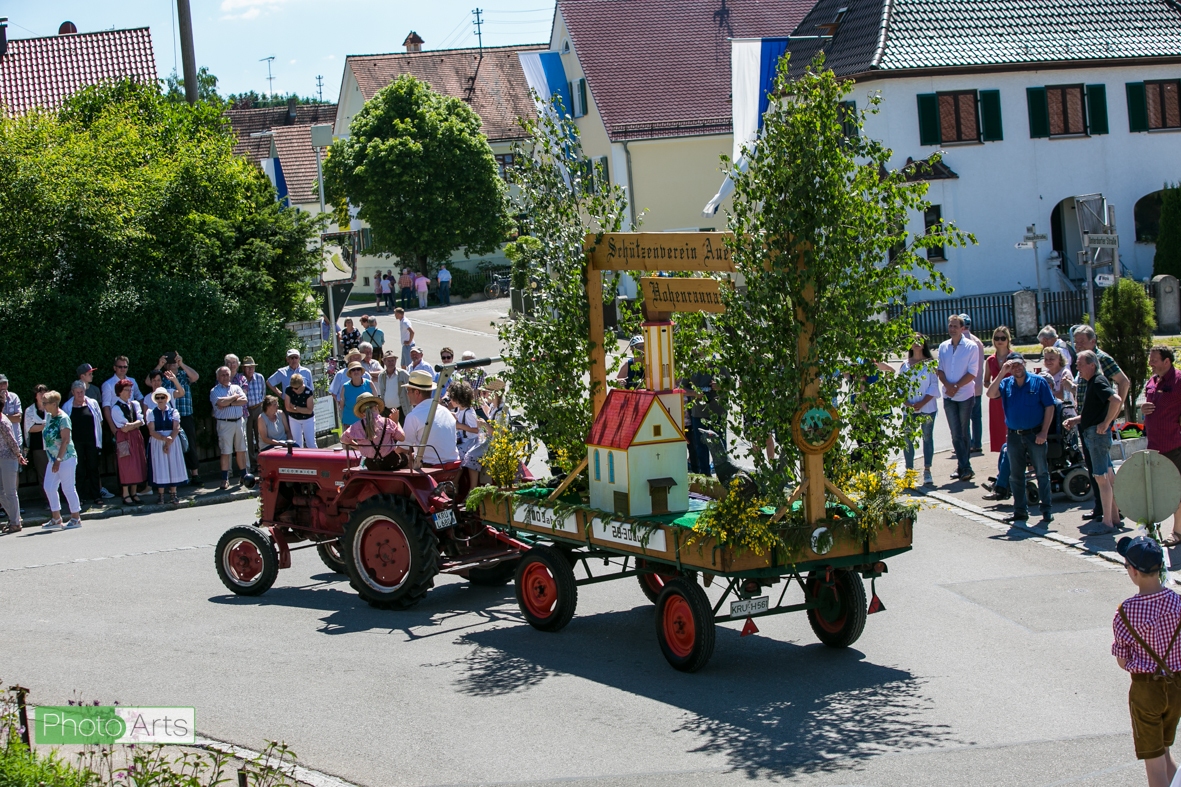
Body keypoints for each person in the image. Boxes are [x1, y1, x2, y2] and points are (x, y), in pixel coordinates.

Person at [1111, 535, 1181, 787]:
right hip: (1176, 689)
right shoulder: (1178, 602)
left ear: (1133, 571)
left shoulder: (1125, 612)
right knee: (1164, 752)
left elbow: (1122, 660)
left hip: (1146, 690)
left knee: (1154, 765)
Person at [987, 354, 1056, 526]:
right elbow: (990, 393)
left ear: (1024, 364)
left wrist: (1044, 432)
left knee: (1041, 472)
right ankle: (1020, 511)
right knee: (1016, 475)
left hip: (1035, 434)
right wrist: (1002, 372)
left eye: (1019, 364)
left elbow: (1050, 406)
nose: (1016, 368)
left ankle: (1046, 510)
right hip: (1014, 435)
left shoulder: (1038, 382)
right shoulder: (1006, 383)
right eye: (1013, 365)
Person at [1073, 325, 1131, 522]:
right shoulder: (1082, 361)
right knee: (1097, 469)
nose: (1077, 345)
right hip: (1087, 422)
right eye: (1075, 341)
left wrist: (1111, 417)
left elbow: (1124, 382)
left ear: (1093, 341)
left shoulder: (1100, 360)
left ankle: (1111, 514)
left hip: (1098, 425)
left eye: (1081, 341)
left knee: (1102, 473)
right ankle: (1105, 511)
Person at [1066, 350, 1124, 535]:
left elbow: (1116, 400)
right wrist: (1076, 420)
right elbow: (1094, 411)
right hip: (1095, 434)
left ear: (1092, 365)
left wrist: (1106, 423)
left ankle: (1107, 523)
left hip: (1097, 437)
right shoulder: (1094, 382)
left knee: (1101, 478)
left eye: (1080, 364)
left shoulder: (1098, 381)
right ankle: (1114, 518)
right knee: (1107, 475)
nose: (1077, 368)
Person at [1143, 346, 1181, 537]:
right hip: (1153, 447)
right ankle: (1154, 531)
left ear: (1167, 361)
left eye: (1154, 360)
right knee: (1156, 492)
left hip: (1174, 445)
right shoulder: (1152, 381)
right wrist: (1144, 409)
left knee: (1177, 490)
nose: (1150, 363)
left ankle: (1178, 532)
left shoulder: (1179, 380)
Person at [937, 314, 979, 482]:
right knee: (955, 434)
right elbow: (939, 369)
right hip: (949, 396)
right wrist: (948, 386)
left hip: (965, 395)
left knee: (963, 432)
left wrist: (956, 386)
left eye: (955, 326)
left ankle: (964, 466)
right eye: (950, 326)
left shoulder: (971, 347)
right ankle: (964, 467)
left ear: (962, 329)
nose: (952, 329)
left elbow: (972, 372)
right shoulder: (943, 347)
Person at [897, 336, 940, 487]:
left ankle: (927, 470)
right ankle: (909, 472)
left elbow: (934, 386)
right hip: (909, 409)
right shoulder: (905, 365)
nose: (916, 344)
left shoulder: (930, 364)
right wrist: (907, 402)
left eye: (919, 341)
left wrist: (922, 402)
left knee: (927, 438)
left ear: (923, 345)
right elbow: (899, 387)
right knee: (908, 440)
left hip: (927, 408)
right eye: (913, 341)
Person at [40, 390, 83, 529]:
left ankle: (76, 518)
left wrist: (58, 459)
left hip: (66, 458)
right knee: (49, 487)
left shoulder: (63, 418)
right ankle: (56, 518)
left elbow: (65, 440)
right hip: (53, 458)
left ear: (54, 404)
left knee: (68, 488)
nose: (43, 405)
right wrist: (54, 459)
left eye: (45, 403)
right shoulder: (49, 416)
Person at [400, 370, 459, 465]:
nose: (407, 394)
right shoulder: (446, 411)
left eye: (408, 391)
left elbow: (403, 448)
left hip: (430, 468)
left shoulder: (413, 416)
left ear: (416, 392)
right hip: (453, 466)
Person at [158, 351, 201, 483]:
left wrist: (181, 363)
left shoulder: (183, 375)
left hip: (185, 414)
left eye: (173, 362)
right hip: (169, 417)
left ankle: (195, 474)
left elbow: (195, 377)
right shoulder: (162, 377)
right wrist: (159, 365)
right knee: (171, 446)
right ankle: (175, 477)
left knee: (190, 445)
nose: (172, 364)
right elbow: (149, 382)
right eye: (169, 362)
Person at [62, 381, 105, 506]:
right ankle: (79, 496)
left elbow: (100, 421)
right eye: (77, 392)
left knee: (93, 468)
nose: (80, 394)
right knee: (79, 469)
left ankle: (96, 495)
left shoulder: (93, 403)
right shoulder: (67, 406)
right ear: (73, 393)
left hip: (92, 441)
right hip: (76, 443)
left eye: (82, 392)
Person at [210, 366, 252, 490]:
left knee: (241, 449)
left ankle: (244, 475)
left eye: (227, 375)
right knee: (226, 451)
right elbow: (220, 403)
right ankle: (225, 478)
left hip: (238, 421)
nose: (225, 377)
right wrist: (234, 398)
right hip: (225, 423)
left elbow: (244, 400)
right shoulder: (215, 391)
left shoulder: (236, 387)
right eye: (223, 375)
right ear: (218, 377)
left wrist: (228, 402)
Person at [341, 392, 405, 467]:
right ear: (376, 407)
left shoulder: (356, 426)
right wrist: (396, 422)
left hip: (372, 465)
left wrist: (359, 447)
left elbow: (343, 439)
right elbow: (402, 438)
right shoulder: (387, 422)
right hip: (390, 464)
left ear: (362, 413)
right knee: (405, 458)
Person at [147, 387, 187, 504]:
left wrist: (169, 440)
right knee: (160, 466)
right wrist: (163, 439)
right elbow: (152, 431)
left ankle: (173, 494)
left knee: (172, 465)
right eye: (158, 397)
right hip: (158, 440)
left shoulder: (173, 411)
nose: (160, 399)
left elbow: (176, 428)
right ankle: (161, 495)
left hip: (172, 440)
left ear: (166, 398)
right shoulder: (151, 412)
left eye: (162, 397)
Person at [110, 379, 147, 505]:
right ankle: (125, 494)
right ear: (119, 392)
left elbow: (142, 420)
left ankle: (134, 492)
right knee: (126, 464)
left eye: (130, 389)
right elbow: (124, 427)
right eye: (126, 390)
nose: (129, 392)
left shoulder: (135, 404)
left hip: (135, 436)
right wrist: (135, 424)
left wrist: (133, 424)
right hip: (124, 438)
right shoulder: (115, 408)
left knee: (137, 462)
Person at [234, 356, 268, 473]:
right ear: (243, 368)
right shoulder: (240, 379)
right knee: (248, 438)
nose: (250, 370)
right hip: (246, 410)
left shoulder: (259, 377)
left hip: (258, 408)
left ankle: (263, 462)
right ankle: (253, 463)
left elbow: (263, 393)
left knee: (261, 436)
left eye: (252, 367)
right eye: (247, 368)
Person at [0, 395, 26, 533]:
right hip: (2, 459)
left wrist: (18, 455)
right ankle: (15, 517)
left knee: (10, 492)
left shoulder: (3, 422)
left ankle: (15, 523)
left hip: (8, 458)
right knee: (1, 492)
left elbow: (11, 440)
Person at [101, 356, 143, 441]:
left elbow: (140, 398)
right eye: (120, 367)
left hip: (134, 423)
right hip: (118, 424)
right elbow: (106, 407)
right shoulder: (108, 384)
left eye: (125, 367)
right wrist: (113, 429)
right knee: (123, 453)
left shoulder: (132, 381)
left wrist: (140, 417)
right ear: (114, 368)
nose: (123, 369)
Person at [961, 315, 986, 454]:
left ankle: (968, 443)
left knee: (964, 417)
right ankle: (977, 443)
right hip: (977, 385)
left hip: (965, 386)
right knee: (976, 417)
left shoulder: (961, 342)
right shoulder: (977, 341)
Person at [337, 361, 377, 429]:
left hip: (368, 423)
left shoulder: (369, 384)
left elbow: (376, 402)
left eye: (358, 369)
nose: (356, 371)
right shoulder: (345, 387)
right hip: (350, 423)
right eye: (353, 370)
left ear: (361, 372)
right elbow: (342, 406)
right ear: (350, 373)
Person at [23, 385, 48, 493]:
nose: (42, 395)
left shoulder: (52, 407)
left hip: (52, 446)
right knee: (43, 474)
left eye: (44, 392)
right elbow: (31, 428)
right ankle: (47, 501)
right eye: (40, 393)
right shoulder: (30, 410)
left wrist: (41, 426)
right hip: (38, 447)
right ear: (35, 396)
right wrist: (46, 425)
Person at [377, 350, 412, 423]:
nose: (391, 363)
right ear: (384, 362)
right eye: (388, 361)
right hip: (386, 411)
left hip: (401, 410)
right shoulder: (381, 375)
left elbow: (411, 387)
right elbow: (381, 392)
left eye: (392, 360)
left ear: (396, 361)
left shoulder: (403, 373)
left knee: (401, 432)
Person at [284, 373, 317, 448]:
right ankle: (299, 459)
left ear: (302, 385)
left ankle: (315, 459)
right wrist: (302, 410)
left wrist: (295, 407)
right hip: (294, 419)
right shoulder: (288, 390)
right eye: (292, 387)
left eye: (296, 388)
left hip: (308, 419)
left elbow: (309, 410)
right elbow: (288, 408)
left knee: (311, 442)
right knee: (297, 442)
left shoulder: (308, 391)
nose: (293, 390)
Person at [1041, 345, 1076, 413]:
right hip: (1051, 412)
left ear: (1059, 359)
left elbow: (1063, 396)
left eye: (1051, 359)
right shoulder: (1044, 374)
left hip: (1065, 411)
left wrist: (1045, 395)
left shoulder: (1065, 373)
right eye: (1046, 359)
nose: (1048, 362)